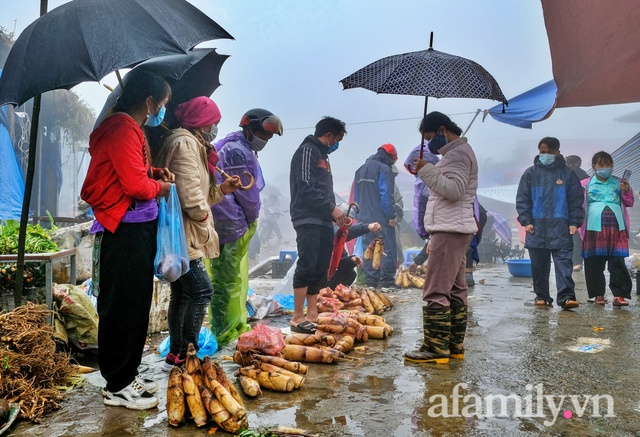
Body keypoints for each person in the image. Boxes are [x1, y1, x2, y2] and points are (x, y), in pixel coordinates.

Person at [80, 70, 173, 410]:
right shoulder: (121, 128)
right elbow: (134, 187)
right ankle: (117, 385)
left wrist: (154, 173)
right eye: (162, 104)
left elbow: (132, 172)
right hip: (123, 230)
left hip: (136, 228)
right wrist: (159, 188)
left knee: (135, 305)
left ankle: (127, 375)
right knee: (122, 307)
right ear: (149, 101)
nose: (161, 110)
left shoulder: (130, 129)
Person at [155, 96, 241, 371]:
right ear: (202, 122)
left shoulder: (192, 143)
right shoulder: (184, 144)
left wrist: (222, 191)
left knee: (182, 293)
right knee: (201, 290)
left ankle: (176, 355)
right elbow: (190, 195)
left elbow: (199, 191)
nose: (215, 128)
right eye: (213, 123)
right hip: (185, 232)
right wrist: (204, 219)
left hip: (184, 228)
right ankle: (187, 355)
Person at [403, 112, 478, 365]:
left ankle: (435, 349)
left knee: (435, 289)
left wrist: (428, 171)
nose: (429, 144)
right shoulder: (457, 153)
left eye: (430, 137)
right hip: (455, 227)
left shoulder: (456, 154)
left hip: (449, 229)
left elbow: (455, 191)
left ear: (443, 130)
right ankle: (453, 345)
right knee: (456, 290)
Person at [208, 108, 283, 346]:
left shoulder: (233, 147)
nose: (266, 140)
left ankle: (234, 325)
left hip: (226, 222)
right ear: (250, 129)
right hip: (230, 223)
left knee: (232, 279)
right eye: (264, 134)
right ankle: (226, 331)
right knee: (227, 282)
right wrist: (250, 219)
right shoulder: (238, 151)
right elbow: (248, 195)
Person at [289, 116, 348, 334]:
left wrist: (335, 213)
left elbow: (324, 190)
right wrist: (331, 207)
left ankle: (312, 313)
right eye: (337, 139)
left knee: (320, 265)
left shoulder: (323, 156)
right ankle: (297, 316)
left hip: (323, 219)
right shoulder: (307, 150)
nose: (336, 144)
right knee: (307, 263)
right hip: (306, 217)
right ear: (329, 135)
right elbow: (305, 186)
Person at [515, 137, 584, 309]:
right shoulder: (530, 173)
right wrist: (526, 221)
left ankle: (566, 297)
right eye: (542, 152)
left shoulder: (568, 174)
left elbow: (576, 200)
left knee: (564, 266)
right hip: (536, 228)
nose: (545, 155)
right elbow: (523, 200)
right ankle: (542, 297)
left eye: (549, 152)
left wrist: (574, 222)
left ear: (557, 152)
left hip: (561, 228)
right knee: (539, 267)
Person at [580, 151, 634, 306]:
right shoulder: (585, 184)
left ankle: (620, 295)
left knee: (617, 261)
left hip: (617, 228)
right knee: (594, 262)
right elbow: (579, 204)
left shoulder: (619, 182)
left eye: (608, 164)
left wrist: (626, 191)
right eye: (601, 165)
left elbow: (629, 203)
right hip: (593, 228)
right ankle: (598, 295)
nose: (605, 167)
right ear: (594, 166)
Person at [353, 143, 400, 290]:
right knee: (386, 248)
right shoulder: (384, 170)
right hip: (381, 218)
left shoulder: (360, 170)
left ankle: (371, 282)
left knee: (370, 248)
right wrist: (391, 215)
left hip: (365, 219)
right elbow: (386, 195)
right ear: (390, 157)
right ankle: (386, 282)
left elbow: (356, 197)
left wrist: (359, 216)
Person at [328, 203, 382, 290]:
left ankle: (335, 295)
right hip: (319, 275)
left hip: (331, 275)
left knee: (350, 274)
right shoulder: (328, 231)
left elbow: (341, 262)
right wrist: (367, 227)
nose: (348, 226)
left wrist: (352, 260)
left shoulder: (341, 242)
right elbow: (340, 233)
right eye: (346, 222)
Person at [566, 155, 590, 272]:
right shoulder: (586, 176)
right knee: (579, 237)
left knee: (574, 237)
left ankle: (575, 262)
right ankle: (578, 262)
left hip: (573, 210)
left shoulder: (569, 174)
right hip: (584, 211)